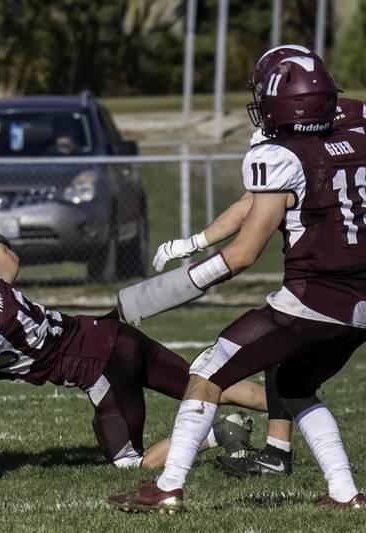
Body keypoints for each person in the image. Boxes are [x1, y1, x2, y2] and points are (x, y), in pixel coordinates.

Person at [109, 53, 366, 512]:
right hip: (360, 305)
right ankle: (346, 494)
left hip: (310, 301)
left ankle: (167, 488)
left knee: (207, 370)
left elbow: (245, 254)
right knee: (293, 385)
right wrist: (197, 240)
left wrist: (174, 288)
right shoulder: (355, 127)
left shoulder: (281, 155)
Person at [0, 215, 267, 470]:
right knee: (203, 382)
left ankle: (217, 434)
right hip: (115, 333)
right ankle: (288, 402)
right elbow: (8, 258)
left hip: (102, 369)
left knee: (131, 464)